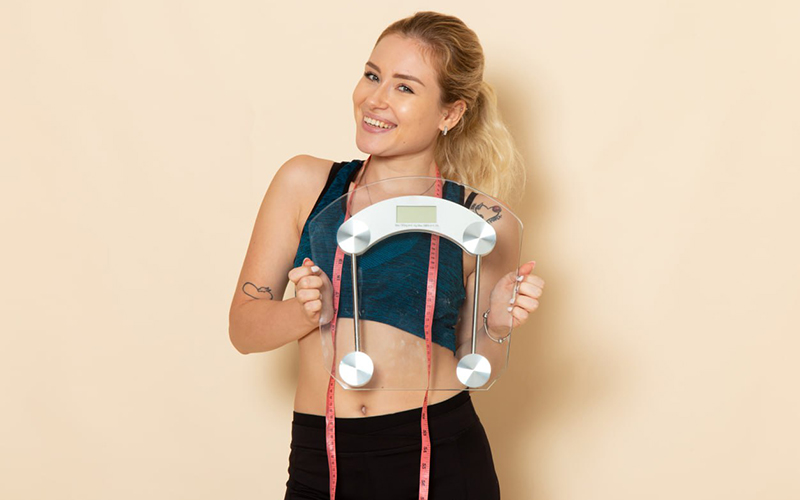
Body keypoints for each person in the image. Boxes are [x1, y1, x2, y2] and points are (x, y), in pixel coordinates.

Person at [229, 11, 545, 500]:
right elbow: (244, 330)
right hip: (322, 453)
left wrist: (496, 325)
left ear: (450, 113)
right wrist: (306, 310)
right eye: (373, 75)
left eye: (405, 87)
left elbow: (476, 360)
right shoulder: (305, 184)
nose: (374, 99)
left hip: (442, 455)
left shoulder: (485, 219)